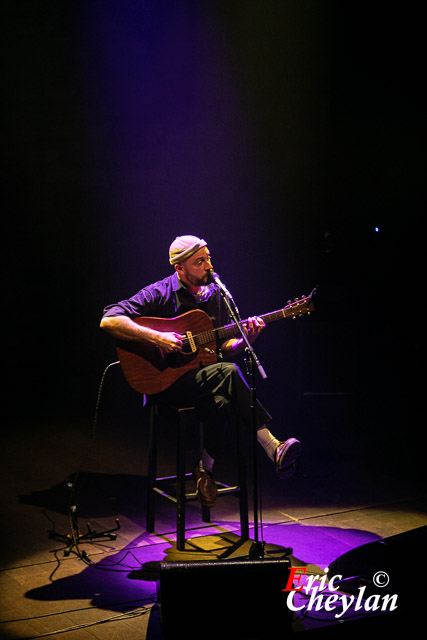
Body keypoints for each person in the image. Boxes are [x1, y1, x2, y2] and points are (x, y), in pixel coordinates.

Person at [100, 235, 301, 508]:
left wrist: (245, 341)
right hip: (165, 383)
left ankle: (204, 468)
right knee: (228, 373)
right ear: (180, 268)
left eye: (208, 259)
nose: (208, 266)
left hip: (202, 378)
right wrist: (157, 338)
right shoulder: (160, 292)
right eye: (199, 262)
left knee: (223, 399)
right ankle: (272, 446)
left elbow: (222, 348)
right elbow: (109, 320)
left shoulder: (216, 294)